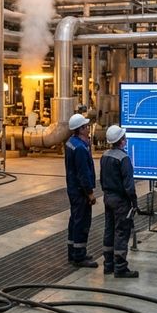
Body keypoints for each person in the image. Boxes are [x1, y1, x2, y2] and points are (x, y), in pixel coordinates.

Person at [100, 125, 138, 278]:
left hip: (108, 198)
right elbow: (129, 185)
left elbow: (102, 178)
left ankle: (108, 265)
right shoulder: (124, 158)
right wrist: (134, 202)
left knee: (109, 230)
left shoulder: (105, 155)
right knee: (121, 232)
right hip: (121, 201)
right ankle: (120, 267)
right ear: (121, 140)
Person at [64, 112, 97, 268]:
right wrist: (90, 193)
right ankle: (79, 256)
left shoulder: (71, 142)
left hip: (73, 189)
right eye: (86, 126)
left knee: (74, 221)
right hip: (80, 191)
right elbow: (83, 173)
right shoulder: (80, 149)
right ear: (80, 129)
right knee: (82, 223)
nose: (88, 128)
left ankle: (73, 252)